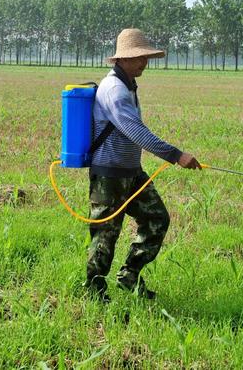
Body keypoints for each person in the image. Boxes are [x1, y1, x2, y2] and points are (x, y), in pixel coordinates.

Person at [85, 28, 201, 302]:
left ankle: (129, 275)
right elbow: (135, 131)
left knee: (157, 218)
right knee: (106, 234)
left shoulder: (128, 86)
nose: (144, 63)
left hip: (132, 173)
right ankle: (94, 292)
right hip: (109, 175)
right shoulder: (114, 89)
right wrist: (175, 155)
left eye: (146, 57)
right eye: (138, 58)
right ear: (122, 59)